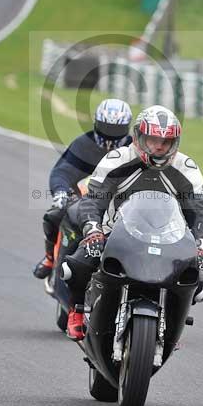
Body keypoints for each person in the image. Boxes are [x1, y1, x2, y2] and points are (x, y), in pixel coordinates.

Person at [62, 104, 203, 340]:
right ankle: (76, 309)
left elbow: (201, 213)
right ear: (138, 137)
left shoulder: (186, 169)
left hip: (169, 238)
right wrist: (92, 229)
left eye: (166, 142)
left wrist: (202, 244)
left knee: (198, 282)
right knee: (75, 267)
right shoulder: (116, 160)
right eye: (153, 140)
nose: (159, 147)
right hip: (115, 233)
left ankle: (173, 325)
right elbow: (93, 201)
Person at [32, 98, 133, 280]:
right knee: (55, 214)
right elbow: (62, 171)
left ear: (126, 128)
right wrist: (61, 192)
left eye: (116, 130)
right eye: (106, 128)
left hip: (122, 203)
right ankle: (50, 258)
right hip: (83, 198)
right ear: (96, 124)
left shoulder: (134, 149)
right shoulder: (83, 144)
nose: (110, 136)